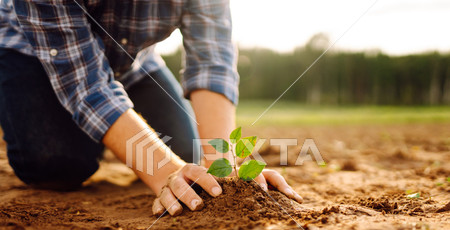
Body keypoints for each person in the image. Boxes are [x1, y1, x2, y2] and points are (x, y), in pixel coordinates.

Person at [0, 0, 302, 216]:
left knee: (189, 153)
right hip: (32, 55)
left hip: (134, 61)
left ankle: (115, 133)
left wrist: (223, 169)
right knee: (60, 164)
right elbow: (88, 86)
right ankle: (93, 138)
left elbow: (213, 63)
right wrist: (164, 170)